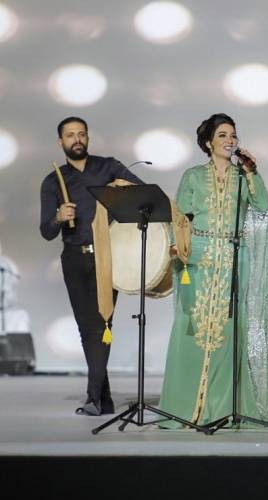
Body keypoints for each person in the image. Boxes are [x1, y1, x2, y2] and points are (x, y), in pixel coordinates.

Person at [159, 113, 268, 428]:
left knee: (227, 334)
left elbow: (264, 207)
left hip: (232, 259)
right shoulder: (192, 176)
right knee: (191, 329)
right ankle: (185, 408)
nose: (230, 141)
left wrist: (252, 172)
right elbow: (180, 218)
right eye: (222, 135)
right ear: (208, 143)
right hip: (198, 259)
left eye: (233, 135)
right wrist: (178, 248)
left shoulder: (243, 177)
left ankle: (220, 410)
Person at [40, 116, 143, 416]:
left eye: (81, 134)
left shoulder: (108, 167)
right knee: (88, 329)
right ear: (60, 142)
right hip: (73, 258)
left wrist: (118, 194)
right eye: (70, 135)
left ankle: (93, 396)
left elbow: (142, 194)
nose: (77, 139)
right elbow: (46, 231)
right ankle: (103, 398)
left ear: (88, 138)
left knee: (101, 324)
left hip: (107, 256)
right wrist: (58, 217)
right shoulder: (53, 181)